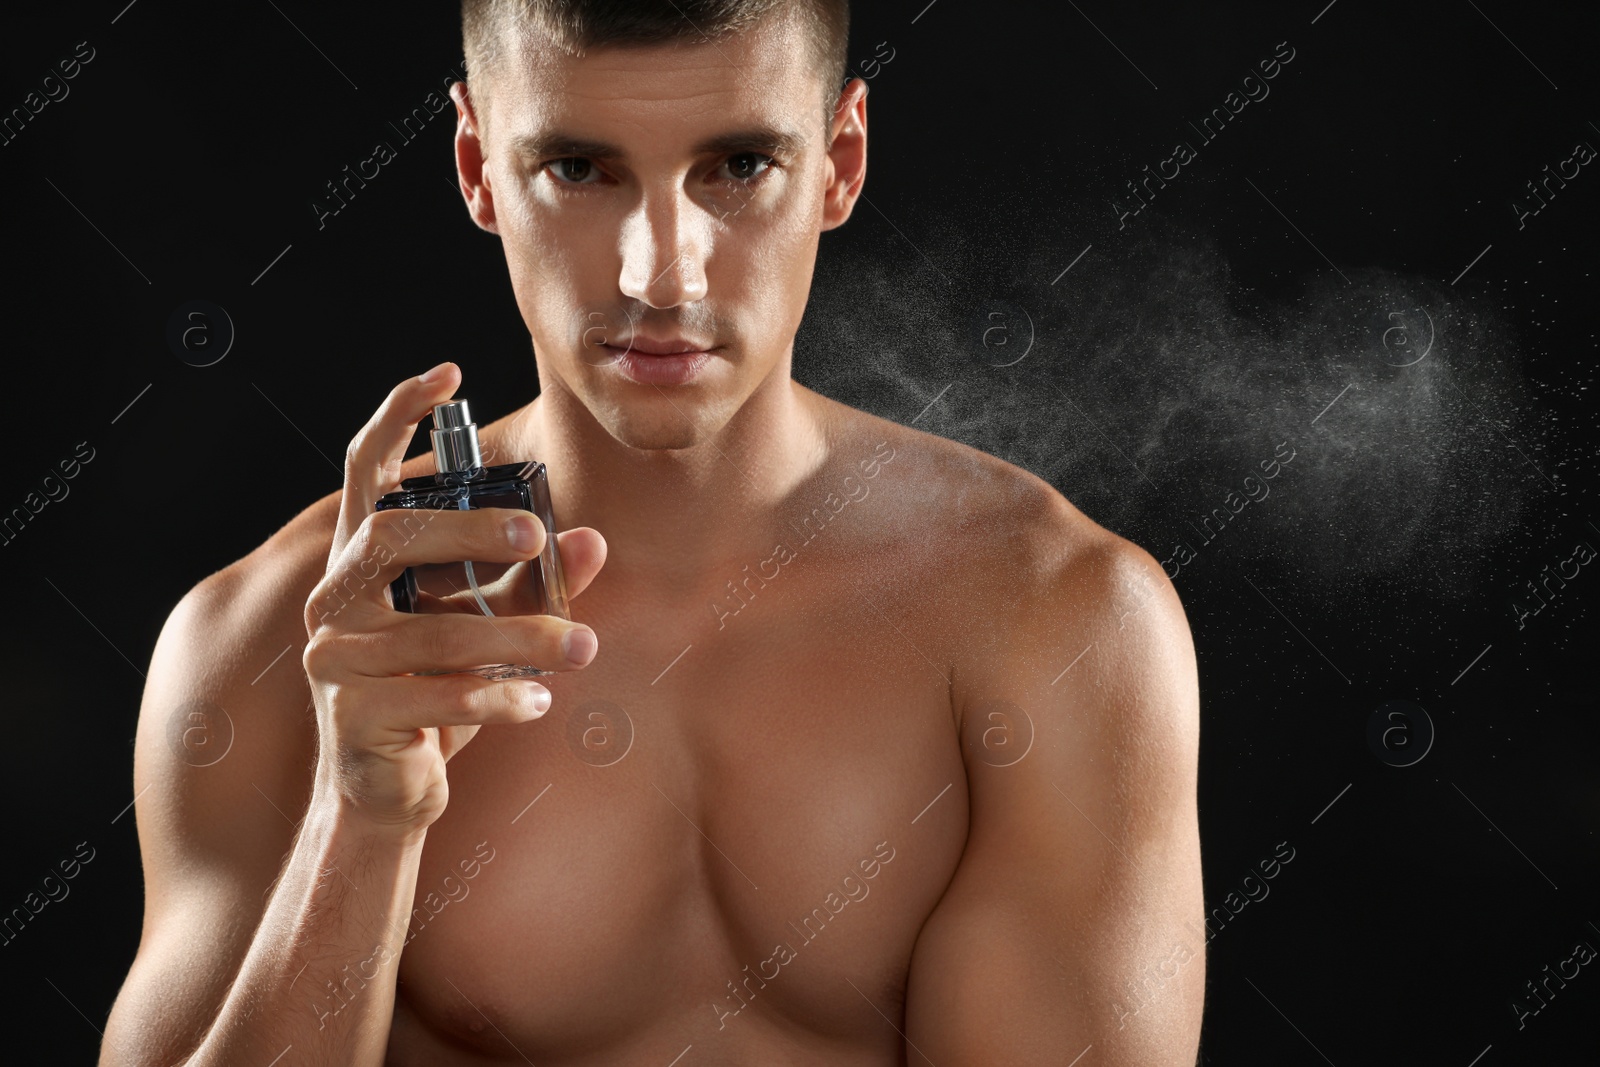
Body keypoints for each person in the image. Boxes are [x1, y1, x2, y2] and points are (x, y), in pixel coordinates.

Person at [102, 1, 1205, 1063]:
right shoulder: (264, 644)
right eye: (580, 168)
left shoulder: (1052, 618)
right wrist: (357, 821)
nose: (662, 275)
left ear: (840, 159)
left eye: (737, 166)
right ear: (479, 166)